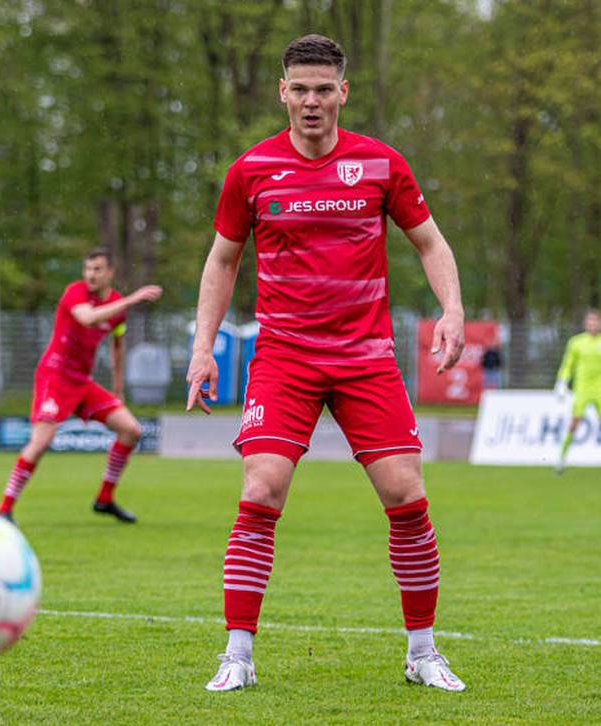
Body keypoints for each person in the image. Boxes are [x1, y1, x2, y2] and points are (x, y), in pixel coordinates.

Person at [186, 34, 467, 693]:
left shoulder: (381, 165)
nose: (311, 101)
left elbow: (429, 241)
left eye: (323, 89)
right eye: (300, 89)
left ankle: (423, 652)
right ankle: (237, 655)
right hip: (284, 356)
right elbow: (222, 260)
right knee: (261, 488)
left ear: (343, 92)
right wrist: (203, 346)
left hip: (366, 358)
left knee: (406, 493)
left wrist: (452, 307)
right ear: (282, 92)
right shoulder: (252, 170)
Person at [0, 248, 162, 524]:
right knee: (40, 443)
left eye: (97, 269)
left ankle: (104, 499)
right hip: (55, 375)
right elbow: (87, 318)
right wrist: (133, 300)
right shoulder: (75, 292)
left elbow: (117, 346)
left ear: (110, 272)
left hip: (82, 382)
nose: (91, 275)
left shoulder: (117, 306)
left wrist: (118, 389)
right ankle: (4, 509)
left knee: (131, 430)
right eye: (87, 269)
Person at [554, 308, 601, 475]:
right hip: (582, 388)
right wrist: (562, 382)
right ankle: (561, 460)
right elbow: (568, 365)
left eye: (596, 321)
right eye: (590, 321)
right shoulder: (576, 343)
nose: (593, 324)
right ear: (585, 323)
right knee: (574, 423)